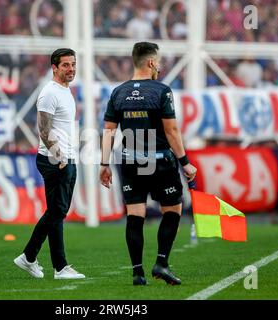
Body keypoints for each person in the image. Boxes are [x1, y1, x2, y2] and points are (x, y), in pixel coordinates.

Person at [99, 42, 197, 286]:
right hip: (160, 160)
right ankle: (161, 263)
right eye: (159, 61)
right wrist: (185, 162)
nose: (159, 66)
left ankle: (137, 273)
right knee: (173, 210)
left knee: (135, 215)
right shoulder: (161, 91)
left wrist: (104, 164)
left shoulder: (118, 92)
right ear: (151, 62)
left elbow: (108, 131)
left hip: (130, 161)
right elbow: (172, 131)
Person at [14, 48, 85, 280]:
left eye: (73, 64)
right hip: (55, 159)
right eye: (65, 65)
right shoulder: (49, 93)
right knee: (57, 212)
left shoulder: (66, 90)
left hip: (66, 157)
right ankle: (59, 267)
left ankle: (29, 257)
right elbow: (43, 129)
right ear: (54, 67)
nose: (71, 68)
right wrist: (60, 156)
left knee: (57, 212)